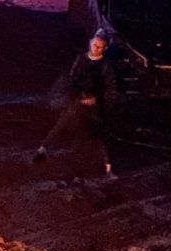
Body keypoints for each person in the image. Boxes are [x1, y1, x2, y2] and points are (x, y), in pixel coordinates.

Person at [35, 30, 120, 174]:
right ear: (90, 43)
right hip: (78, 102)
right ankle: (42, 150)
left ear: (104, 49)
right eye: (94, 45)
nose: (96, 48)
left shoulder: (106, 66)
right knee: (63, 122)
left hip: (96, 107)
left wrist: (96, 100)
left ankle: (108, 168)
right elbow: (72, 81)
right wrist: (78, 96)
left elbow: (111, 91)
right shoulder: (81, 60)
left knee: (101, 135)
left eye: (100, 47)